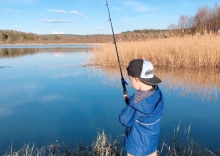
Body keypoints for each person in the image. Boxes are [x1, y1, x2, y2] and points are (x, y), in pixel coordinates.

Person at [119, 59, 164, 156]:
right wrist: (131, 103)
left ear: (136, 79)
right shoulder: (158, 94)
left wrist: (130, 104)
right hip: (151, 145)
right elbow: (145, 105)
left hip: (136, 148)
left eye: (131, 79)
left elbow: (124, 119)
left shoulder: (135, 103)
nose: (131, 82)